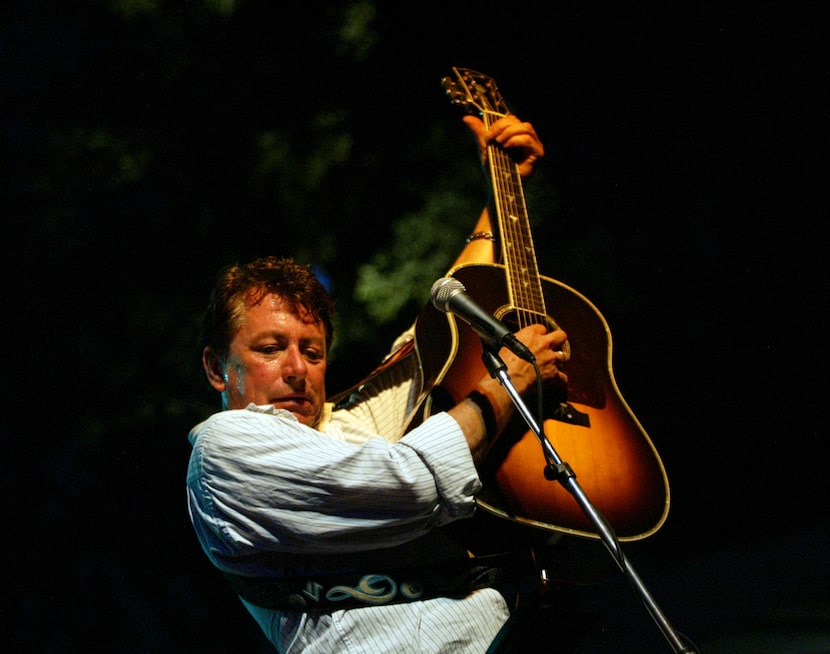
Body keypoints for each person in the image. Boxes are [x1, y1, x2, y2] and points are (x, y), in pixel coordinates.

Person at [186, 113, 571, 652]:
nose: (297, 368)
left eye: (312, 350)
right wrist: (508, 385)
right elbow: (405, 482)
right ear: (214, 368)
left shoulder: (343, 424)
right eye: (271, 349)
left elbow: (438, 338)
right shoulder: (221, 450)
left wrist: (500, 199)